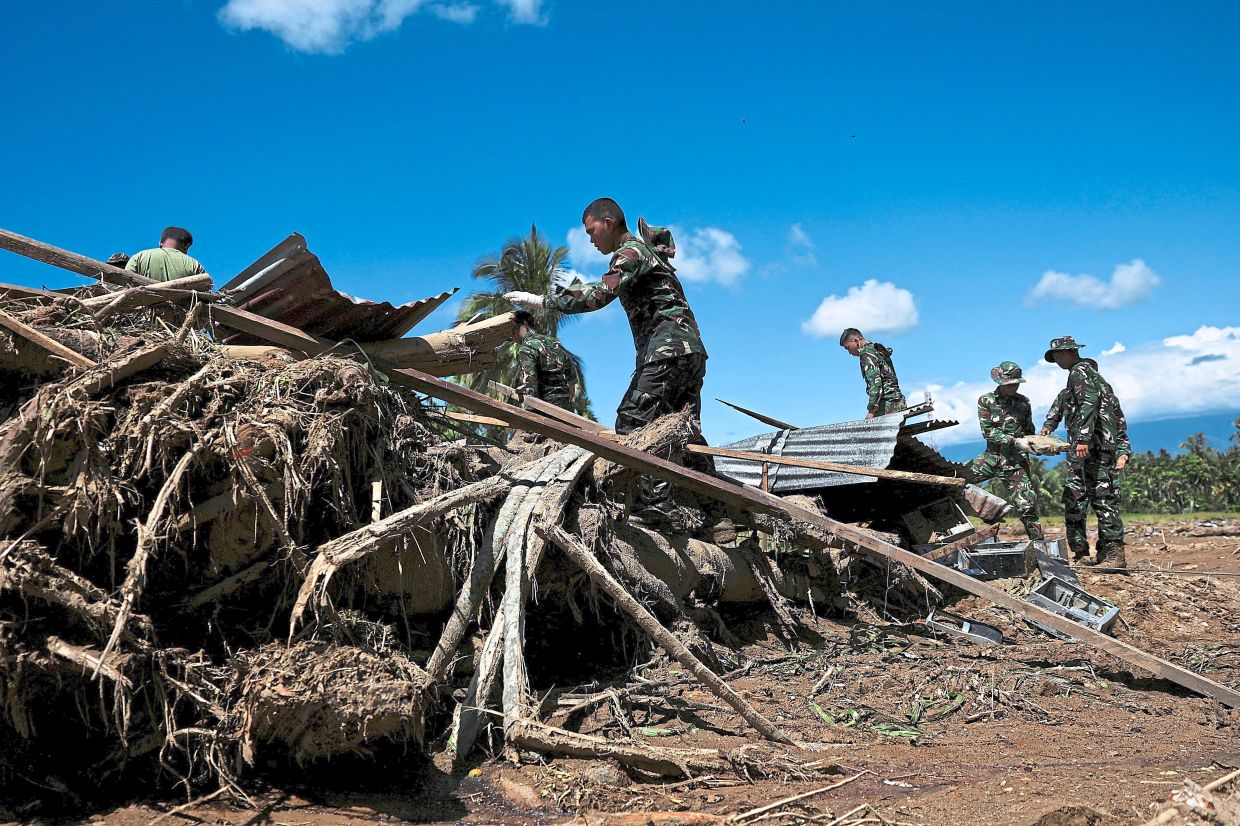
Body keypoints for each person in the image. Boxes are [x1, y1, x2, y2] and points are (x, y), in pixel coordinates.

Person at [503, 198, 714, 532]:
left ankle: (657, 506)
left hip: (667, 351)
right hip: (691, 353)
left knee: (633, 418)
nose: (589, 239)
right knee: (685, 432)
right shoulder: (647, 253)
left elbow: (599, 294)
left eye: (591, 231)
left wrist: (545, 301)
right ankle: (718, 514)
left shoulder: (630, 253)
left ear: (609, 222)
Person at [1040, 337, 1129, 570]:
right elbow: (1056, 413)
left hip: (1092, 448)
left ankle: (1114, 556)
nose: (1058, 360)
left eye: (1060, 355)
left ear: (1071, 353)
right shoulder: (1069, 389)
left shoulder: (1081, 372)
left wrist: (1083, 439)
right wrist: (1047, 429)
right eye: (1055, 356)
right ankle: (1086, 554)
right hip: (1083, 452)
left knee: (1102, 498)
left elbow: (1090, 406)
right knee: (1074, 497)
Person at [963, 361, 1044, 540]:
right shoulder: (986, 401)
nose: (1013, 387)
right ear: (1000, 382)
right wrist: (1015, 441)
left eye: (1016, 383)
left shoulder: (1024, 403)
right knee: (956, 481)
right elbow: (988, 432)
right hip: (991, 458)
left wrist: (1038, 445)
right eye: (1010, 384)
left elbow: (1029, 432)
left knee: (1027, 506)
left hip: (1016, 463)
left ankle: (1040, 548)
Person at [512, 310, 580, 411]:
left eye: (513, 329)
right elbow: (571, 381)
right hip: (566, 408)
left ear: (523, 326)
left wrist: (520, 390)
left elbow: (530, 382)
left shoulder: (526, 348)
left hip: (544, 408)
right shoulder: (553, 343)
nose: (511, 334)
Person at [839, 328, 906, 418]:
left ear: (855, 341)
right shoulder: (876, 349)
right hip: (898, 403)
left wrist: (871, 411)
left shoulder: (866, 354)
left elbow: (875, 383)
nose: (849, 352)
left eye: (848, 348)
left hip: (887, 406)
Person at [124, 227, 208, 283]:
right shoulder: (194, 264)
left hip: (141, 308)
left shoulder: (139, 256)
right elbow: (207, 292)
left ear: (160, 242)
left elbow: (125, 283)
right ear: (186, 246)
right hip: (182, 309)